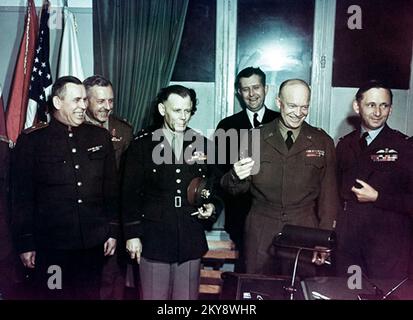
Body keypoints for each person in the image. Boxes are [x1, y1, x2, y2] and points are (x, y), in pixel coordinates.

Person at [11, 76, 119, 299]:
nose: (83, 106)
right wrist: (25, 242)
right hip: (52, 247)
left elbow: (110, 189)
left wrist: (112, 230)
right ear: (58, 103)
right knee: (55, 295)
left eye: (84, 100)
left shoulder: (99, 136)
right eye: (77, 100)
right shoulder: (33, 141)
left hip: (92, 244)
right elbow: (21, 197)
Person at [221, 79, 339, 276]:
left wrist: (323, 238)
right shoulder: (254, 138)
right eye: (292, 106)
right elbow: (233, 188)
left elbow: (329, 196)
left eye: (304, 107)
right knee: (258, 289)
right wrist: (236, 176)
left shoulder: (322, 141)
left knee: (299, 290)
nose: (298, 113)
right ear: (279, 102)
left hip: (304, 229)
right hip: (262, 228)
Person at [121, 85, 222, 300]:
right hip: (154, 239)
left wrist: (211, 206)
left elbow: (216, 187)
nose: (183, 117)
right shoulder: (142, 146)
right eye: (177, 110)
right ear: (161, 109)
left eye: (188, 111)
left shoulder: (204, 145)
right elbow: (128, 195)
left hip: (189, 238)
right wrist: (132, 235)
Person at [335, 80, 413, 279]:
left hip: (387, 251)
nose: (378, 112)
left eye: (384, 105)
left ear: (391, 108)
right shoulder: (345, 145)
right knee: (350, 293)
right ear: (357, 106)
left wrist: (378, 197)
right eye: (371, 105)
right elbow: (335, 194)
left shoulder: (404, 146)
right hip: (350, 248)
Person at [215, 67, 279, 271]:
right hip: (240, 217)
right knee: (246, 273)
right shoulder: (226, 126)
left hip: (275, 215)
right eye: (245, 89)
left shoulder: (281, 122)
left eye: (256, 87)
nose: (252, 94)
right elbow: (218, 171)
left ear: (266, 88)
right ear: (238, 93)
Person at [83, 75, 133, 300]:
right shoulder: (74, 128)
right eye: (101, 101)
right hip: (83, 218)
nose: (108, 107)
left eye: (111, 101)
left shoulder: (123, 131)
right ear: (85, 100)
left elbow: (129, 178)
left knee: (113, 279)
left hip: (114, 218)